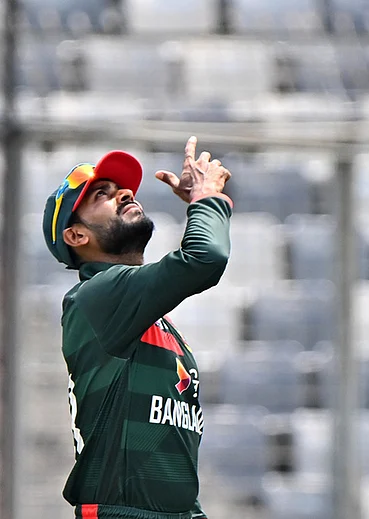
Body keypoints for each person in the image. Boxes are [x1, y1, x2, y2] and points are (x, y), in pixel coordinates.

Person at [42, 136, 233, 519]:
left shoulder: (147, 316)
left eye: (123, 187)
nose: (126, 193)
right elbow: (204, 258)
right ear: (77, 236)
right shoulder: (97, 296)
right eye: (102, 194)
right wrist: (207, 199)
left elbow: (169, 461)